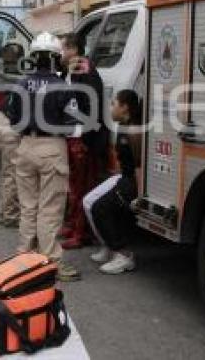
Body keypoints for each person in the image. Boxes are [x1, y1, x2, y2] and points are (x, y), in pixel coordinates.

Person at [5, 32, 81, 282]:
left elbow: (13, 120)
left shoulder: (20, 84)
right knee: (50, 209)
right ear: (56, 58)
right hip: (52, 148)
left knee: (28, 206)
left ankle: (23, 259)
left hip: (26, 146)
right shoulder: (63, 86)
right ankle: (51, 263)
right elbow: (71, 124)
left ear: (32, 57)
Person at [84, 90, 143, 274]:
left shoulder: (133, 132)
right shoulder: (122, 126)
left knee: (100, 207)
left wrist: (139, 197)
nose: (110, 108)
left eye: (113, 104)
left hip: (132, 181)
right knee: (87, 202)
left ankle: (123, 255)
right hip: (123, 176)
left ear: (124, 107)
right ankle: (108, 246)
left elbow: (140, 166)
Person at [59, 32, 107, 250]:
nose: (61, 53)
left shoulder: (84, 69)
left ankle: (82, 233)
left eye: (64, 49)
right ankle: (73, 225)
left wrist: (86, 138)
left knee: (82, 187)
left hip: (84, 138)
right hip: (74, 135)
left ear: (74, 49)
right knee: (74, 186)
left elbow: (91, 106)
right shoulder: (72, 70)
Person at [0, 42, 24, 228]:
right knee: (12, 174)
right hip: (7, 127)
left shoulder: (9, 75)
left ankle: (4, 211)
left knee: (6, 173)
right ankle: (9, 216)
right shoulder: (28, 79)